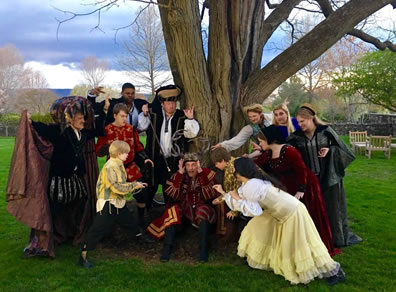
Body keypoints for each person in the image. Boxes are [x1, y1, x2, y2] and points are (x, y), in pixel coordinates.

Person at [213, 158, 346, 286]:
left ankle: (335, 272)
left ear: (240, 171)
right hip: (280, 212)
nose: (232, 172)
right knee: (255, 227)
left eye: (234, 169)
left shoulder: (252, 185)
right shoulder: (250, 183)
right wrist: (224, 194)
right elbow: (241, 196)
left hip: (292, 213)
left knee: (305, 244)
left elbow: (253, 211)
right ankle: (253, 258)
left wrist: (233, 197)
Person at [7, 96, 105, 258]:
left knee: (82, 202)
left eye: (83, 118)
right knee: (53, 210)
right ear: (71, 119)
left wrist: (103, 110)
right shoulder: (60, 132)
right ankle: (41, 243)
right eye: (80, 118)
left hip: (75, 179)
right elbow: (43, 129)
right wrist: (29, 121)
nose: (83, 121)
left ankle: (72, 233)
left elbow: (99, 129)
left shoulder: (84, 134)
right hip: (59, 180)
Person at [254, 126, 339, 256]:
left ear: (270, 139)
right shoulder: (269, 154)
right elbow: (256, 165)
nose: (260, 144)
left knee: (307, 216)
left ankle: (311, 247)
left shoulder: (289, 151)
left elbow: (301, 169)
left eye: (262, 141)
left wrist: (301, 190)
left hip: (305, 187)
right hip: (289, 188)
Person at [288, 104, 362, 248]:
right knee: (313, 210)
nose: (300, 124)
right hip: (310, 180)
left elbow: (345, 152)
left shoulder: (326, 131)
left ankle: (335, 238)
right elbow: (285, 150)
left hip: (329, 176)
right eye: (299, 121)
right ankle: (315, 239)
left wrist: (330, 150)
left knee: (332, 208)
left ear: (311, 119)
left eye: (303, 121)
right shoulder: (297, 137)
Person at [79, 140, 153, 268]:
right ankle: (83, 255)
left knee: (129, 221)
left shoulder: (118, 164)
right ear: (118, 153)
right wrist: (134, 185)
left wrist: (135, 185)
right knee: (98, 229)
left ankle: (140, 238)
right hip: (108, 203)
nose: (127, 155)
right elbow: (116, 187)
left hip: (117, 202)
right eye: (125, 153)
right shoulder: (111, 166)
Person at [147, 153, 218, 263]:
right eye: (188, 165)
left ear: (198, 164)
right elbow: (173, 195)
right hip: (185, 209)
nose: (190, 168)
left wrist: (200, 173)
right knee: (173, 211)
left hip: (202, 208)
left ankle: (203, 251)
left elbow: (210, 194)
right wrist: (180, 173)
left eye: (193, 165)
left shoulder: (207, 174)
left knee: (203, 211)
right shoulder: (179, 175)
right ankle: (167, 249)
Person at [138, 85, 200, 206]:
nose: (171, 106)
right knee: (151, 185)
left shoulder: (182, 116)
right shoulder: (153, 114)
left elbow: (191, 134)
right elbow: (141, 127)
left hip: (173, 159)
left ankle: (171, 212)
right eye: (168, 103)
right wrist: (145, 114)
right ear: (162, 104)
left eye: (173, 103)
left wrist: (190, 119)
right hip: (155, 157)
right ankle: (146, 210)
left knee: (171, 187)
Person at [95, 103, 154, 230]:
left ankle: (141, 220)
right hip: (114, 170)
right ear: (115, 115)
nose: (124, 119)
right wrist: (108, 148)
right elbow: (98, 151)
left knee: (142, 193)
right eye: (122, 116)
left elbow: (138, 146)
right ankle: (109, 225)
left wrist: (145, 158)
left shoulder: (131, 129)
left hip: (130, 167)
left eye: (126, 116)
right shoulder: (106, 130)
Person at [210, 147, 241, 242]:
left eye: (217, 163)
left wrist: (235, 211)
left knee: (230, 213)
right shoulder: (233, 161)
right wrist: (220, 199)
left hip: (250, 198)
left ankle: (231, 238)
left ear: (223, 160)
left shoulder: (230, 171)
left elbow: (237, 192)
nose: (216, 166)